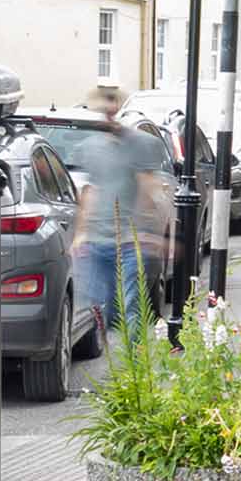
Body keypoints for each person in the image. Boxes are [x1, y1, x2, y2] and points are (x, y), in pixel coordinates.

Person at [72, 90, 172, 329]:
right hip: (98, 242)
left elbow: (150, 189)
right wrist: (80, 234)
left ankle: (135, 362)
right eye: (101, 111)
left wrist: (153, 232)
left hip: (131, 240)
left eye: (110, 109)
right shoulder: (90, 148)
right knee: (103, 309)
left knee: (132, 307)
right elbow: (90, 190)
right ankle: (120, 357)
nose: (107, 116)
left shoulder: (140, 144)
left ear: (118, 110)